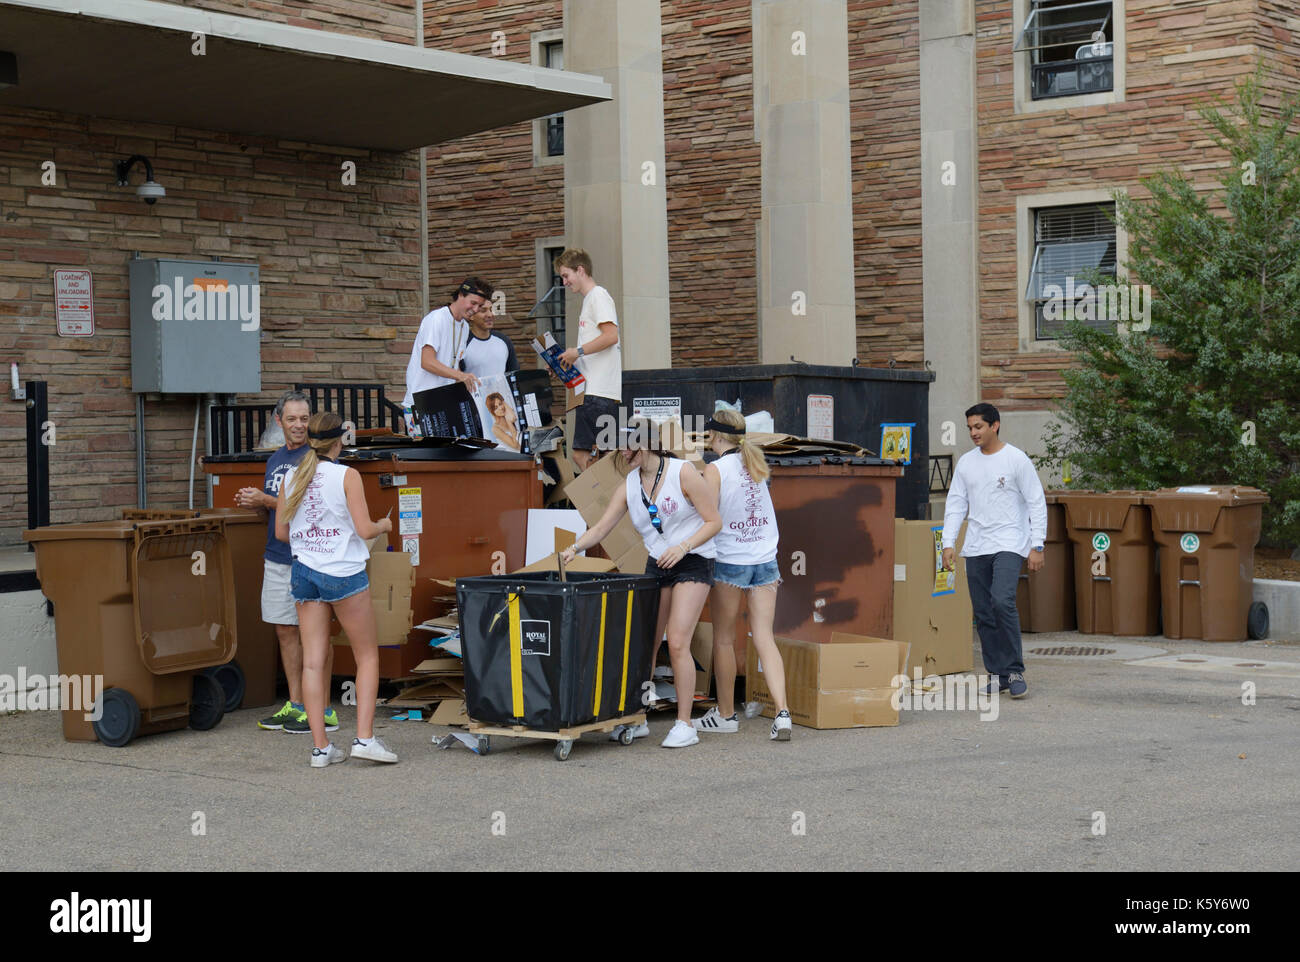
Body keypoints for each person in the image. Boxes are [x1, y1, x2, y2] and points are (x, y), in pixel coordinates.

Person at [560, 420, 721, 748]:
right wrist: (573, 548)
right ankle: (639, 715)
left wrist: (683, 546)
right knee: (644, 644)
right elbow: (602, 526)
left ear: (646, 443)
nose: (622, 452)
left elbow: (714, 521)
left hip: (693, 560)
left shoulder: (683, 472)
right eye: (619, 446)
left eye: (628, 446)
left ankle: (685, 723)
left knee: (676, 643)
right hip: (658, 565)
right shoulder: (629, 485)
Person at [276, 411, 397, 768]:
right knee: (367, 656)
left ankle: (320, 749)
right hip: (343, 572)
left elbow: (282, 534)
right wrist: (384, 523)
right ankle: (364, 739)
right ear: (339, 439)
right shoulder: (348, 475)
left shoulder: (292, 475)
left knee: (312, 663)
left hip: (304, 573)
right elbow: (363, 529)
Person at [235, 391, 340, 735]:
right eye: (292, 419)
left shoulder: (318, 457)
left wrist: (266, 499)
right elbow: (280, 511)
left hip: (310, 557)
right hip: (277, 556)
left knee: (315, 636)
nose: (299, 425)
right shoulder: (275, 458)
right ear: (279, 422)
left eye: (304, 418)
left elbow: (311, 504)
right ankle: (296, 705)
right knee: (285, 631)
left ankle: (323, 709)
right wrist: (257, 504)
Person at [696, 408, 792, 740]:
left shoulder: (714, 470)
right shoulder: (756, 463)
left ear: (714, 436)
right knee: (764, 637)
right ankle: (783, 713)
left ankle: (725, 714)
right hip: (765, 558)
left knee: (725, 639)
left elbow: (708, 516)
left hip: (730, 560)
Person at [941, 403, 1047, 700]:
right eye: (970, 428)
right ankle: (997, 673)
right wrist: (948, 543)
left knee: (1002, 601)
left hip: (1011, 542)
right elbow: (956, 504)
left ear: (994, 425)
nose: (973, 433)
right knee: (984, 611)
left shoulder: (1016, 459)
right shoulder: (966, 463)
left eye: (979, 426)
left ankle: (1014, 670)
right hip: (976, 545)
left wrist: (1037, 545)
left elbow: (1036, 501)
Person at [553, 249, 620, 471]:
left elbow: (611, 336)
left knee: (583, 455)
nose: (564, 282)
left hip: (596, 393)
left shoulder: (598, 296)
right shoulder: (592, 299)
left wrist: (577, 352)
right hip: (594, 392)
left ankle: (603, 503)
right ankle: (609, 501)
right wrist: (564, 360)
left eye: (565, 275)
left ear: (580, 270)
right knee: (602, 455)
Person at [402, 277, 494, 407]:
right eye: (473, 303)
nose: (475, 309)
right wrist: (461, 376)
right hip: (420, 404)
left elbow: (453, 364)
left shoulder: (465, 326)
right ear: (461, 294)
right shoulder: (436, 318)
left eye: (479, 306)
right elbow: (427, 362)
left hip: (444, 402)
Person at [461, 301, 518, 380]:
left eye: (491, 310)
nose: (490, 315)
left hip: (502, 392)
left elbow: (514, 374)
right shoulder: (463, 343)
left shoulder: (504, 340)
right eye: (483, 311)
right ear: (471, 316)